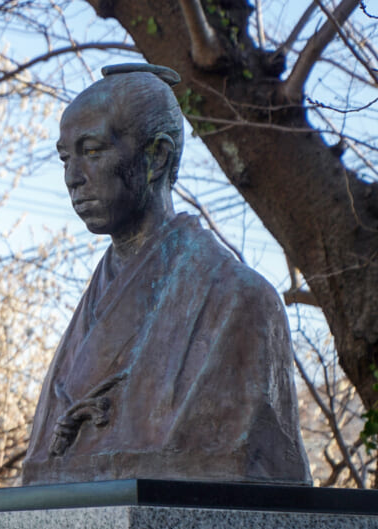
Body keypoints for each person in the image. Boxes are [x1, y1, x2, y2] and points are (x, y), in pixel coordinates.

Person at [22, 64, 310, 486]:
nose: (72, 178)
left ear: (156, 156)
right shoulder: (95, 301)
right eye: (66, 157)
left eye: (93, 151)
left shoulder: (239, 300)